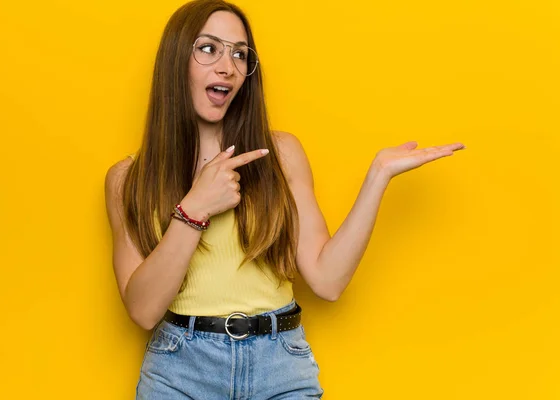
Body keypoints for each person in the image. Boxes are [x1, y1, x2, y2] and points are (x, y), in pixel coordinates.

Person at [104, 0, 465, 398]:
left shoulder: (282, 154)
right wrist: (194, 209)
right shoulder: (127, 179)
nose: (228, 66)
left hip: (279, 366)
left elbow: (327, 281)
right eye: (208, 49)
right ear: (175, 61)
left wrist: (377, 176)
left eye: (240, 54)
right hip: (179, 371)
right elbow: (142, 310)